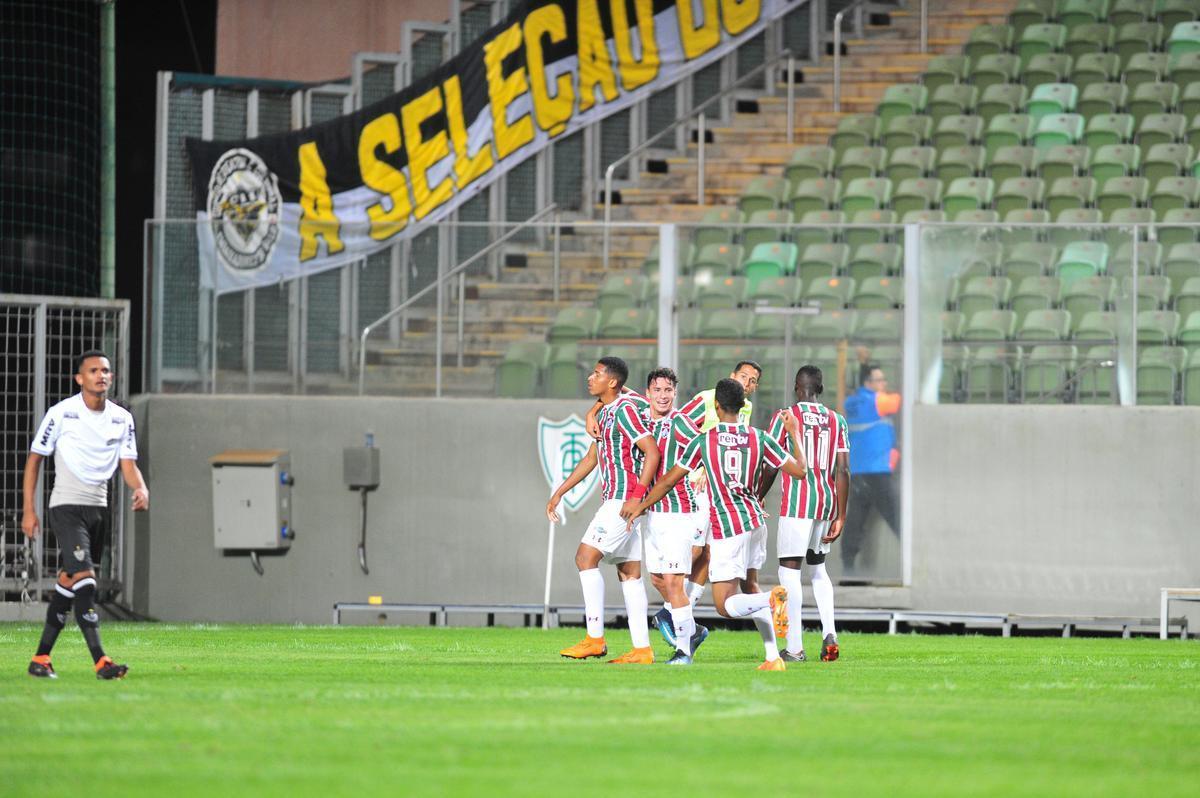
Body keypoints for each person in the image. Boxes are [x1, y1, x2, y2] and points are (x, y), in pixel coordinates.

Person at [623, 379, 807, 669]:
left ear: (716, 406)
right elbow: (799, 471)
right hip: (757, 524)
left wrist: (641, 505)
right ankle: (773, 656)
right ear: (743, 406)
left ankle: (771, 599)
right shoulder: (759, 437)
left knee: (725, 605)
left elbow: (670, 479)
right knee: (750, 586)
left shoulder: (705, 440)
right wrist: (794, 433)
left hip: (727, 528)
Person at [22, 350, 148, 679]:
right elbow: (35, 459)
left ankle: (41, 659)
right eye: (93, 371)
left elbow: (128, 467)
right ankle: (101, 661)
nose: (100, 375)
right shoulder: (62, 413)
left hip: (98, 510)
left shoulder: (122, 418)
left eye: (105, 370)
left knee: (69, 583)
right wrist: (28, 511)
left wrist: (141, 487)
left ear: (111, 377)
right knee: (87, 582)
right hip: (66, 506)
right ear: (80, 378)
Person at [547, 357, 661, 664]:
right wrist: (559, 492)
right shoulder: (609, 412)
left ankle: (594, 638)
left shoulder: (624, 410)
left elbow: (652, 451)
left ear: (612, 382)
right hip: (623, 502)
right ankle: (642, 649)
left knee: (585, 558)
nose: (590, 377)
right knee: (630, 574)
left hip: (623, 501)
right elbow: (590, 459)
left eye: (597, 373)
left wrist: (637, 496)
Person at [759, 366, 850, 663]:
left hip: (798, 503)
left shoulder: (785, 416)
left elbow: (772, 462)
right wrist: (840, 515)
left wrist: (757, 496)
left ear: (797, 387)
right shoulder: (837, 420)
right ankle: (830, 632)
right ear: (821, 389)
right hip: (825, 502)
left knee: (789, 571)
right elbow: (843, 469)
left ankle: (795, 647)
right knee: (818, 569)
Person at [637, 367, 710, 663]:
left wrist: (703, 471)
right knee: (657, 579)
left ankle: (683, 651)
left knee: (674, 581)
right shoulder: (641, 421)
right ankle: (692, 630)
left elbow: (705, 447)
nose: (663, 396)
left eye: (668, 391)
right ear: (648, 394)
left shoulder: (679, 423)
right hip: (652, 514)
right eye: (658, 390)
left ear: (675, 394)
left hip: (678, 512)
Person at [841, 361, 901, 574]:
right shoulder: (876, 401)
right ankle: (916, 559)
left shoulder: (852, 402)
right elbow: (898, 402)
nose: (883, 383)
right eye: (880, 380)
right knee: (898, 517)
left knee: (855, 521)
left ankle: (848, 565)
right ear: (868, 382)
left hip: (858, 472)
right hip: (877, 472)